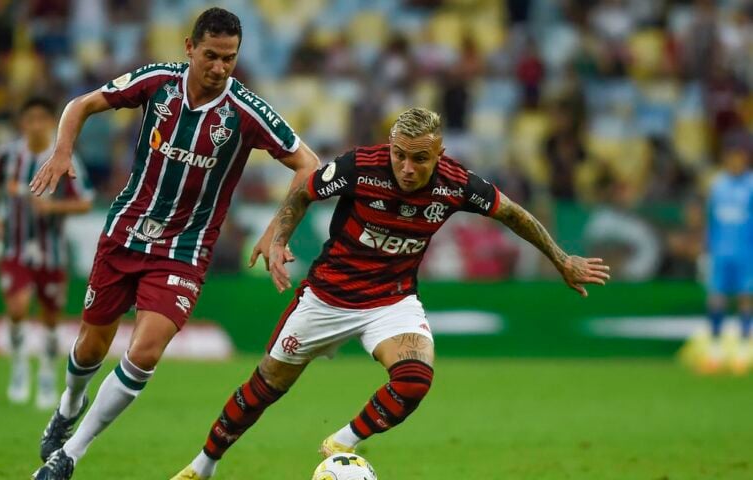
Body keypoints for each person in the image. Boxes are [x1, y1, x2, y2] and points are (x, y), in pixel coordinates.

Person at [171, 108, 610, 479]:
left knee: (415, 379)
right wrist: (280, 236)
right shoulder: (360, 166)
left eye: (419, 159)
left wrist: (561, 260)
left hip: (391, 300)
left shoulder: (457, 184)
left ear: (438, 153)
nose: (406, 167)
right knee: (266, 386)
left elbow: (514, 215)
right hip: (327, 296)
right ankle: (201, 467)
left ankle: (342, 443)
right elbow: (302, 193)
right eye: (399, 155)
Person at [28, 8, 320, 480]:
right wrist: (62, 151)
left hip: (184, 250)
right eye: (211, 56)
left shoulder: (246, 111)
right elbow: (80, 104)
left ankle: (69, 457)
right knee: (89, 347)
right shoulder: (157, 81)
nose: (220, 68)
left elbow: (309, 166)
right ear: (189, 48)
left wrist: (276, 230)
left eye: (230, 58)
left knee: (143, 353)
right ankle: (69, 405)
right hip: (125, 232)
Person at [0, 96, 94, 409]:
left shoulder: (63, 157)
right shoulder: (7, 155)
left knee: (50, 320)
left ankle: (46, 373)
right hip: (14, 247)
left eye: (41, 119)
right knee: (18, 308)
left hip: (52, 251)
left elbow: (85, 201)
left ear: (50, 123)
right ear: (22, 123)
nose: (35, 125)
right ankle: (19, 367)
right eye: (29, 119)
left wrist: (53, 206)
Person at [697, 133, 753, 374]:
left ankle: (743, 346)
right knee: (716, 297)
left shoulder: (751, 185)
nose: (735, 162)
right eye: (731, 158)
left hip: (746, 253)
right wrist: (706, 247)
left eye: (739, 158)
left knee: (745, 297)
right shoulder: (718, 185)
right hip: (721, 252)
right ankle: (716, 347)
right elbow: (711, 220)